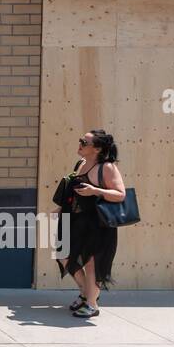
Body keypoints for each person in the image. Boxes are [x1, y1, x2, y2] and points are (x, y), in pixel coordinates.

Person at [55, 129, 126, 318]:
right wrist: (62, 208)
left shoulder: (107, 167)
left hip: (98, 224)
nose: (80, 144)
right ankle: (85, 293)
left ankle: (92, 304)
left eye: (84, 142)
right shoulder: (81, 163)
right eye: (80, 140)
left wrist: (96, 190)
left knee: (92, 265)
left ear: (97, 148)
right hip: (76, 221)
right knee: (64, 256)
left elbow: (120, 194)